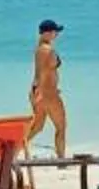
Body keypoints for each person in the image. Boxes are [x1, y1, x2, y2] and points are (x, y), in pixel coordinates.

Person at [25, 19, 68, 162]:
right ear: (48, 33)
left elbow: (41, 72)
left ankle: (14, 150)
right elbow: (42, 73)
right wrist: (42, 91)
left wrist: (36, 90)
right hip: (48, 95)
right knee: (61, 127)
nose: (57, 35)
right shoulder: (48, 51)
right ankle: (61, 160)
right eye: (55, 32)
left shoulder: (39, 49)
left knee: (37, 127)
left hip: (42, 92)